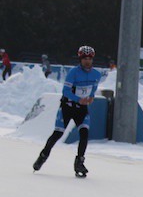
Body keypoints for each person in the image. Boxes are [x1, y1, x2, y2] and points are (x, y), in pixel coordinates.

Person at [32, 45, 103, 177]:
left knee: (84, 133)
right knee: (58, 134)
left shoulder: (96, 74)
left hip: (81, 109)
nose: (87, 61)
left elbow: (93, 89)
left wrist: (91, 97)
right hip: (68, 107)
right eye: (85, 59)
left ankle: (79, 162)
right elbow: (66, 91)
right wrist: (78, 99)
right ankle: (43, 156)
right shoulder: (73, 72)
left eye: (89, 59)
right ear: (80, 60)